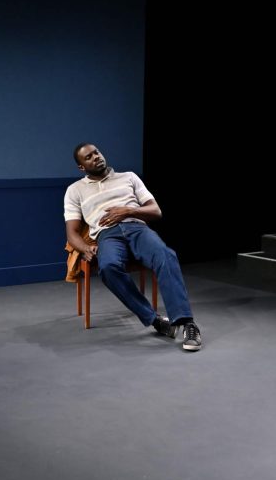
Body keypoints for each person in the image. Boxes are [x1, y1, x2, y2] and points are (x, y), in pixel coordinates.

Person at [64, 143, 202, 351]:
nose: (96, 158)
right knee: (108, 267)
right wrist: (84, 248)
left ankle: (187, 323)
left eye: (97, 153)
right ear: (81, 167)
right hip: (107, 235)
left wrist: (128, 211)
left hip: (137, 228)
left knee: (165, 255)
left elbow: (156, 211)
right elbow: (72, 232)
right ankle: (155, 320)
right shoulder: (74, 191)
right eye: (89, 157)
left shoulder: (129, 177)